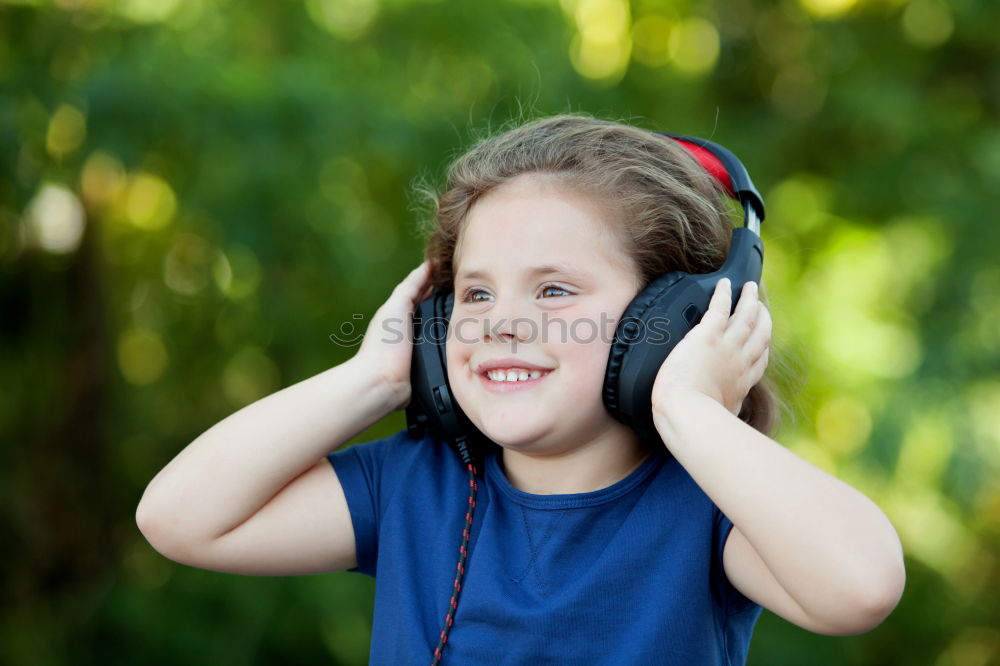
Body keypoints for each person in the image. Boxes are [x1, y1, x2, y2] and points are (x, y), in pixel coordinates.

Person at [135, 113, 906, 665]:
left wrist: (688, 407)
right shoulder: (410, 489)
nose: (503, 323)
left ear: (668, 323)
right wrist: (370, 377)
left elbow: (862, 586)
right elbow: (178, 519)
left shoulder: (709, 511)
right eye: (474, 295)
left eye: (554, 292)